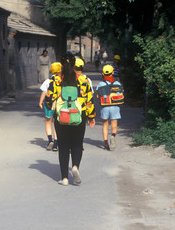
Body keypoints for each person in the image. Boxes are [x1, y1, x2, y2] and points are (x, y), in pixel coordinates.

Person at [45, 52, 96, 186]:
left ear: (61, 64)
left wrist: (53, 108)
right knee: (77, 144)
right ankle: (75, 167)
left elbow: (48, 99)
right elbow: (89, 100)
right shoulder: (83, 80)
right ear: (75, 64)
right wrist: (91, 116)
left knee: (63, 146)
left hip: (61, 117)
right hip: (79, 115)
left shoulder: (55, 80)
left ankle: (65, 179)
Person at [96, 65, 122, 151]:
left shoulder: (101, 84)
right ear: (113, 73)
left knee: (105, 124)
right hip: (115, 106)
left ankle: (106, 143)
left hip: (105, 107)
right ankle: (113, 136)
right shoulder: (117, 83)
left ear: (103, 74)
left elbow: (97, 96)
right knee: (114, 125)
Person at [38, 62, 62, 151]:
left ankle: (50, 140)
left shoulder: (48, 81)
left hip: (49, 104)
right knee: (56, 123)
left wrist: (40, 103)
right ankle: (56, 143)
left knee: (48, 122)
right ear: (60, 70)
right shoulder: (62, 81)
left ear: (51, 71)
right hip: (59, 105)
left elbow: (43, 92)